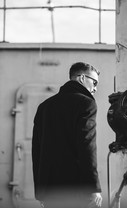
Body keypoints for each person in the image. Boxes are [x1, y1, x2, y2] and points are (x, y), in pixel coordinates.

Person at [32, 62, 102, 208]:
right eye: (94, 82)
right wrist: (93, 187)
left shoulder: (44, 106)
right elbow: (86, 145)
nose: (95, 88)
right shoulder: (86, 103)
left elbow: (37, 151)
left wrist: (40, 192)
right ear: (82, 78)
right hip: (77, 190)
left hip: (50, 191)